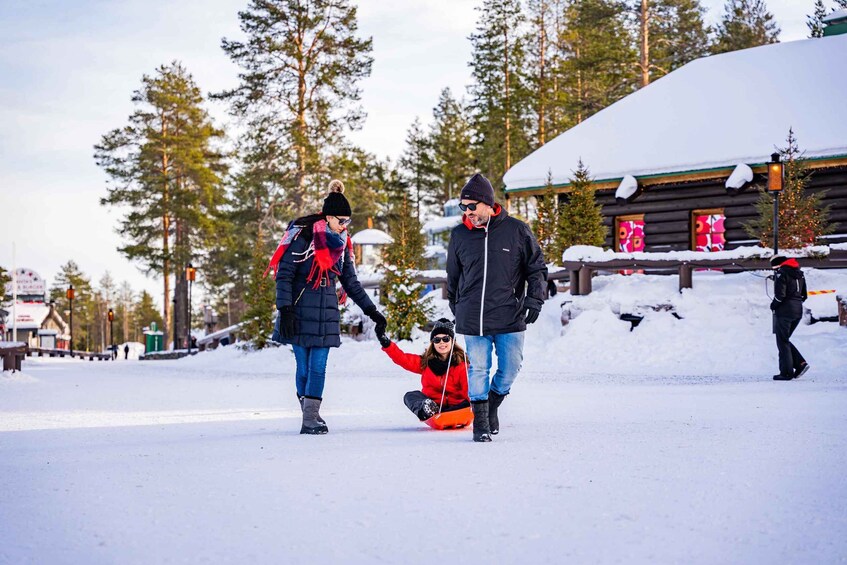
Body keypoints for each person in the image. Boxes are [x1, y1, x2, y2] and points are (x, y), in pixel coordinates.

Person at [268, 180, 387, 434]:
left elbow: (350, 282)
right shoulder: (304, 237)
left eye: (347, 222)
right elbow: (285, 275)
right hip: (298, 311)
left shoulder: (343, 245)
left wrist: (372, 311)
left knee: (318, 366)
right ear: (328, 216)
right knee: (303, 367)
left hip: (326, 313)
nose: (344, 227)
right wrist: (285, 309)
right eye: (341, 221)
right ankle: (308, 413)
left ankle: (310, 418)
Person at [446, 173, 547, 442]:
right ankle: (480, 423)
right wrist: (457, 306)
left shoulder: (517, 230)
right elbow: (453, 276)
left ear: (488, 203)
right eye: (463, 207)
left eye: (472, 207)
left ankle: (492, 405)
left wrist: (534, 299)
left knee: (511, 367)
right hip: (473, 315)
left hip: (509, 313)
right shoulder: (459, 235)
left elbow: (536, 268)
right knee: (478, 367)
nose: (468, 213)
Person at [376, 318, 469, 421]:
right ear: (433, 343)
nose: (441, 343)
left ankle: (451, 412)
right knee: (410, 396)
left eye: (446, 339)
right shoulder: (426, 363)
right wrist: (386, 344)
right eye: (437, 340)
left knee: (470, 400)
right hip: (434, 406)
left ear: (453, 341)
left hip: (457, 407)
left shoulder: (461, 365)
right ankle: (428, 410)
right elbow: (403, 359)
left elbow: (468, 389)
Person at [770, 255, 809, 380]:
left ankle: (786, 373)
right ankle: (801, 364)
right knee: (784, 340)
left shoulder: (782, 273)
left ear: (777, 265)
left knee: (782, 341)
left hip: (784, 312)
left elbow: (780, 295)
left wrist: (773, 305)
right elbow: (804, 295)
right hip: (797, 312)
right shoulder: (800, 273)